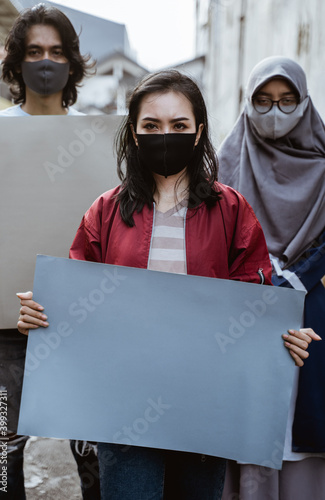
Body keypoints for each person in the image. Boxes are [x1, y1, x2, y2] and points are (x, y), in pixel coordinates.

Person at [16, 69, 320, 500]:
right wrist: (41, 315)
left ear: (198, 133)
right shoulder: (104, 212)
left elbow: (259, 303)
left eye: (179, 126)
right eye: (151, 126)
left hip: (206, 404)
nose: (166, 135)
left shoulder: (233, 211)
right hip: (122, 406)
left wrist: (284, 335)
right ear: (134, 134)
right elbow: (76, 301)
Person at [0, 4, 100, 499]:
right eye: (34, 51)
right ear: (15, 64)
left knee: (95, 455)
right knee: (0, 455)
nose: (46, 61)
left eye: (57, 51)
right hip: (3, 329)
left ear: (73, 64)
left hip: (83, 326)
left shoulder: (101, 139)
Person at [218, 56, 325, 499]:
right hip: (244, 315)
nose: (274, 112)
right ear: (247, 103)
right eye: (262, 101)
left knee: (302, 439)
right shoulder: (225, 161)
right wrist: (264, 280)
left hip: (313, 318)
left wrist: (297, 279)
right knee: (247, 434)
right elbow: (214, 237)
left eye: (286, 101)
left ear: (304, 103)